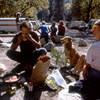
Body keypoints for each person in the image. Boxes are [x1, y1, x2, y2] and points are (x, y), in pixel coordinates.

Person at [82, 20, 100, 100]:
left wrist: (85, 69)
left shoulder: (94, 46)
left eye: (95, 28)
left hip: (96, 76)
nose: (92, 30)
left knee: (86, 67)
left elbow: (88, 64)